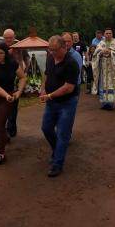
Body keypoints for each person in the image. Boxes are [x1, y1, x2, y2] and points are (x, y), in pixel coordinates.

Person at [40, 36, 79, 178]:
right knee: (46, 128)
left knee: (63, 133)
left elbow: (68, 88)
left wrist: (49, 96)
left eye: (54, 50)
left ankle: (57, 164)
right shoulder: (50, 58)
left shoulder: (71, 64)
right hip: (52, 101)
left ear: (64, 48)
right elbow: (47, 75)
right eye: (50, 49)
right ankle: (57, 151)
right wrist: (44, 88)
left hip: (67, 102)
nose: (52, 52)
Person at [2, 28, 29, 138]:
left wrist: (26, 71)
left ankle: (10, 130)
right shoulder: (1, 47)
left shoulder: (20, 46)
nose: (8, 39)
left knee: (13, 105)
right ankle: (11, 129)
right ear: (3, 38)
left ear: (14, 37)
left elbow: (27, 59)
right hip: (4, 80)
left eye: (10, 37)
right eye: (6, 38)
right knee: (5, 106)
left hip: (18, 79)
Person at [91, 28, 115, 109]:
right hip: (103, 68)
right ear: (104, 34)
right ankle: (103, 103)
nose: (108, 34)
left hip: (112, 69)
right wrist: (101, 52)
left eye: (110, 33)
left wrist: (111, 52)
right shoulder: (101, 43)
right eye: (107, 33)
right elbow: (95, 54)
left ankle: (110, 104)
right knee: (103, 85)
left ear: (112, 34)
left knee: (110, 85)